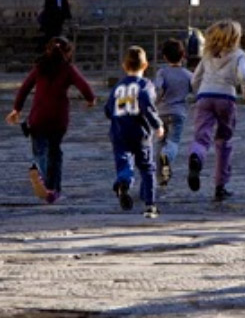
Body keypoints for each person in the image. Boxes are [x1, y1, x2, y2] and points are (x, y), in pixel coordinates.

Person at [6, 37, 95, 203]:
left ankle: (39, 171)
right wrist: (90, 100)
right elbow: (84, 86)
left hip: (38, 117)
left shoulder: (40, 67)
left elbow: (25, 88)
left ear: (47, 50)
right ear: (68, 53)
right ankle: (53, 189)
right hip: (58, 119)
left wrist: (16, 109)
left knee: (40, 151)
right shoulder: (68, 69)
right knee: (55, 153)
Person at [188, 20, 245, 202]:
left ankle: (196, 157)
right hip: (226, 97)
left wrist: (197, 93)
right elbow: (244, 75)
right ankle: (220, 185)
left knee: (201, 136)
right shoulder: (240, 55)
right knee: (224, 141)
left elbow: (195, 78)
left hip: (205, 95)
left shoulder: (208, 55)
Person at [105, 46, 164, 218]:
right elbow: (148, 106)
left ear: (124, 66)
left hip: (119, 132)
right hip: (140, 132)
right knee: (147, 168)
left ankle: (123, 181)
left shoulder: (118, 86)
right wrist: (157, 125)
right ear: (145, 65)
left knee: (123, 161)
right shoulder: (145, 85)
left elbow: (108, 109)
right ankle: (150, 203)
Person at [154, 38, 194, 187]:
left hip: (161, 112)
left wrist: (155, 103)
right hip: (179, 112)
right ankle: (168, 157)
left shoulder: (162, 72)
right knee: (173, 141)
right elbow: (195, 90)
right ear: (183, 55)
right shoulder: (188, 75)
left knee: (159, 142)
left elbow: (158, 89)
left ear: (164, 57)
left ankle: (161, 175)